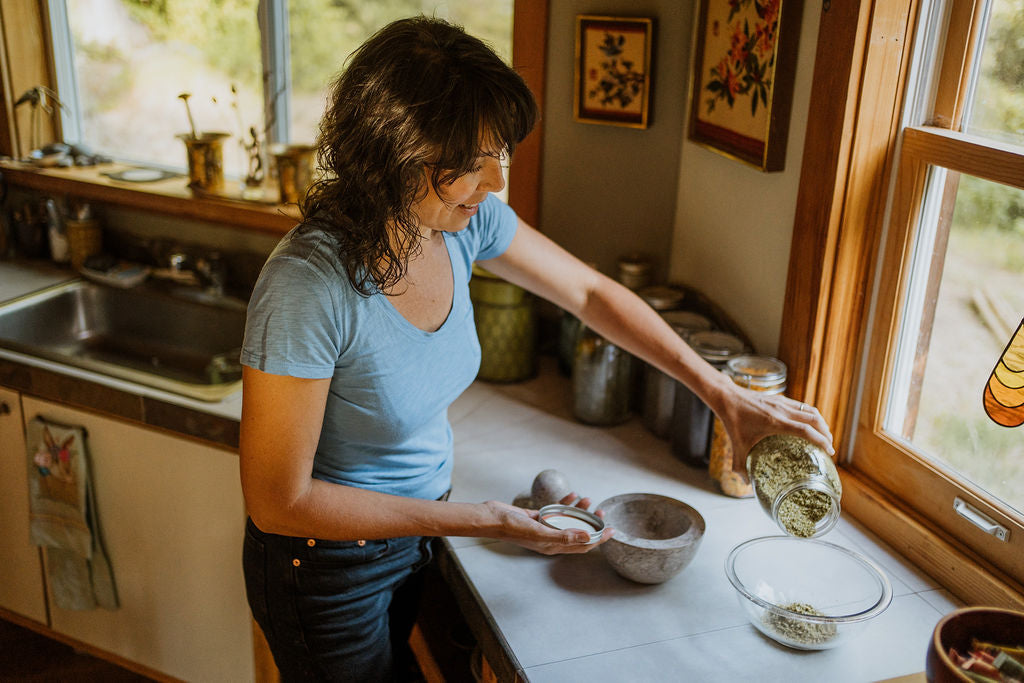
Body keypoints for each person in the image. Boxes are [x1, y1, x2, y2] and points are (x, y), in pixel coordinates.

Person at [238, 15, 834, 683]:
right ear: (394, 152)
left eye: (502, 153)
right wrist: (481, 519)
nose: (495, 180)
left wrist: (723, 394)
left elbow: (590, 294)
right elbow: (278, 500)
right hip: (324, 568)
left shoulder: (459, 225)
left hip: (414, 537)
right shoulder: (306, 287)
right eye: (471, 161)